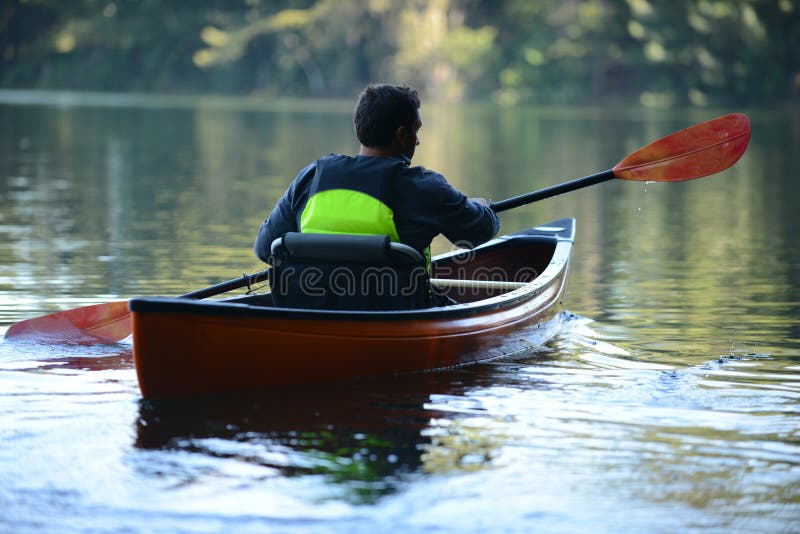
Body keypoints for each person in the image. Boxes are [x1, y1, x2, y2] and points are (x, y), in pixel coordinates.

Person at [253, 83, 500, 305]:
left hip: (313, 311)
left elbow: (265, 248)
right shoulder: (424, 186)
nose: (418, 142)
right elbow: (480, 231)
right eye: (416, 131)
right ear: (401, 134)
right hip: (397, 316)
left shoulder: (312, 176)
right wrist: (480, 207)